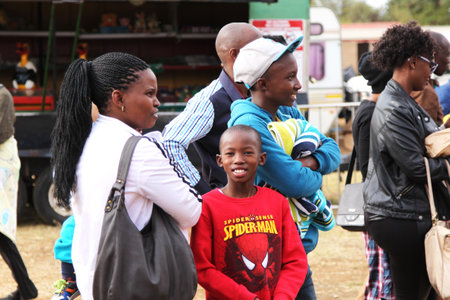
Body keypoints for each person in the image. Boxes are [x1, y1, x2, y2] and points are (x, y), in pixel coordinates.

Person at [50, 52, 202, 300]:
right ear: (118, 98)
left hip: (93, 279)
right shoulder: (137, 151)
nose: (157, 102)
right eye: (149, 93)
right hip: (132, 282)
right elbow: (191, 210)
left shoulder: (82, 142)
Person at [228, 36, 341, 299]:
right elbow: (293, 182)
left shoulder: (288, 111)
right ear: (262, 84)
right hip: (267, 252)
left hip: (292, 248)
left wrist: (309, 164)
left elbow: (331, 148)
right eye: (290, 77)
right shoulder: (250, 125)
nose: (298, 84)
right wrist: (314, 174)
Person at [364, 21, 450, 300]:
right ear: (413, 62)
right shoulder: (394, 108)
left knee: (431, 291)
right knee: (413, 294)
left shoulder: (403, 101)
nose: (432, 73)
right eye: (431, 65)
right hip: (401, 217)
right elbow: (414, 166)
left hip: (408, 212)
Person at [191, 125, 308, 299]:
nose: (238, 159)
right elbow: (202, 267)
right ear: (219, 160)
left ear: (261, 159)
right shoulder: (207, 206)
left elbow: (295, 261)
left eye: (247, 152)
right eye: (230, 153)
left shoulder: (277, 202)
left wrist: (283, 296)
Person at [162, 22, 262, 194]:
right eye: (259, 50)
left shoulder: (258, 92)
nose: (265, 56)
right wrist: (203, 192)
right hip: (227, 207)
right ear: (235, 55)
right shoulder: (209, 101)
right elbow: (169, 143)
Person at [352, 52, 394, 300]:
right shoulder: (370, 112)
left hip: (380, 204)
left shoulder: (373, 108)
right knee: (381, 279)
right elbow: (369, 165)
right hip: (377, 205)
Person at [0, 84, 38, 300]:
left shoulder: (2, 95)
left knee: (1, 230)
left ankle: (27, 288)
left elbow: (1, 133)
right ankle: (26, 288)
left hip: (3, 161)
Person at [411, 31, 449, 126]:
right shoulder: (425, 91)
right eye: (447, 55)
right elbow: (428, 136)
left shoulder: (424, 86)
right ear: (434, 56)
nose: (448, 60)